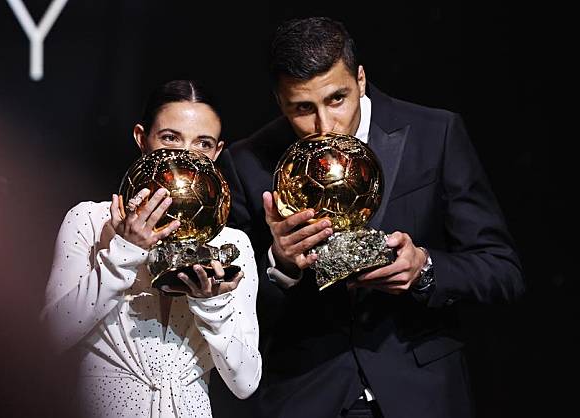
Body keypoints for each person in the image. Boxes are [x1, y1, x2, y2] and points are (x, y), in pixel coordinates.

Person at [217, 17, 525, 418]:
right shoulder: (247, 162)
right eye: (302, 109)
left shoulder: (436, 133)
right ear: (279, 101)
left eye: (336, 99)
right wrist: (280, 267)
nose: (324, 125)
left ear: (360, 79)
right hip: (309, 394)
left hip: (422, 393)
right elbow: (229, 312)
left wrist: (425, 268)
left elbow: (502, 270)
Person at [41, 80, 262, 418]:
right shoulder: (90, 219)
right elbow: (51, 337)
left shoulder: (230, 244)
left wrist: (212, 304)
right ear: (141, 138)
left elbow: (245, 383)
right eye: (170, 138)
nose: (184, 158)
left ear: (217, 153)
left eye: (202, 143)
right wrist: (123, 253)